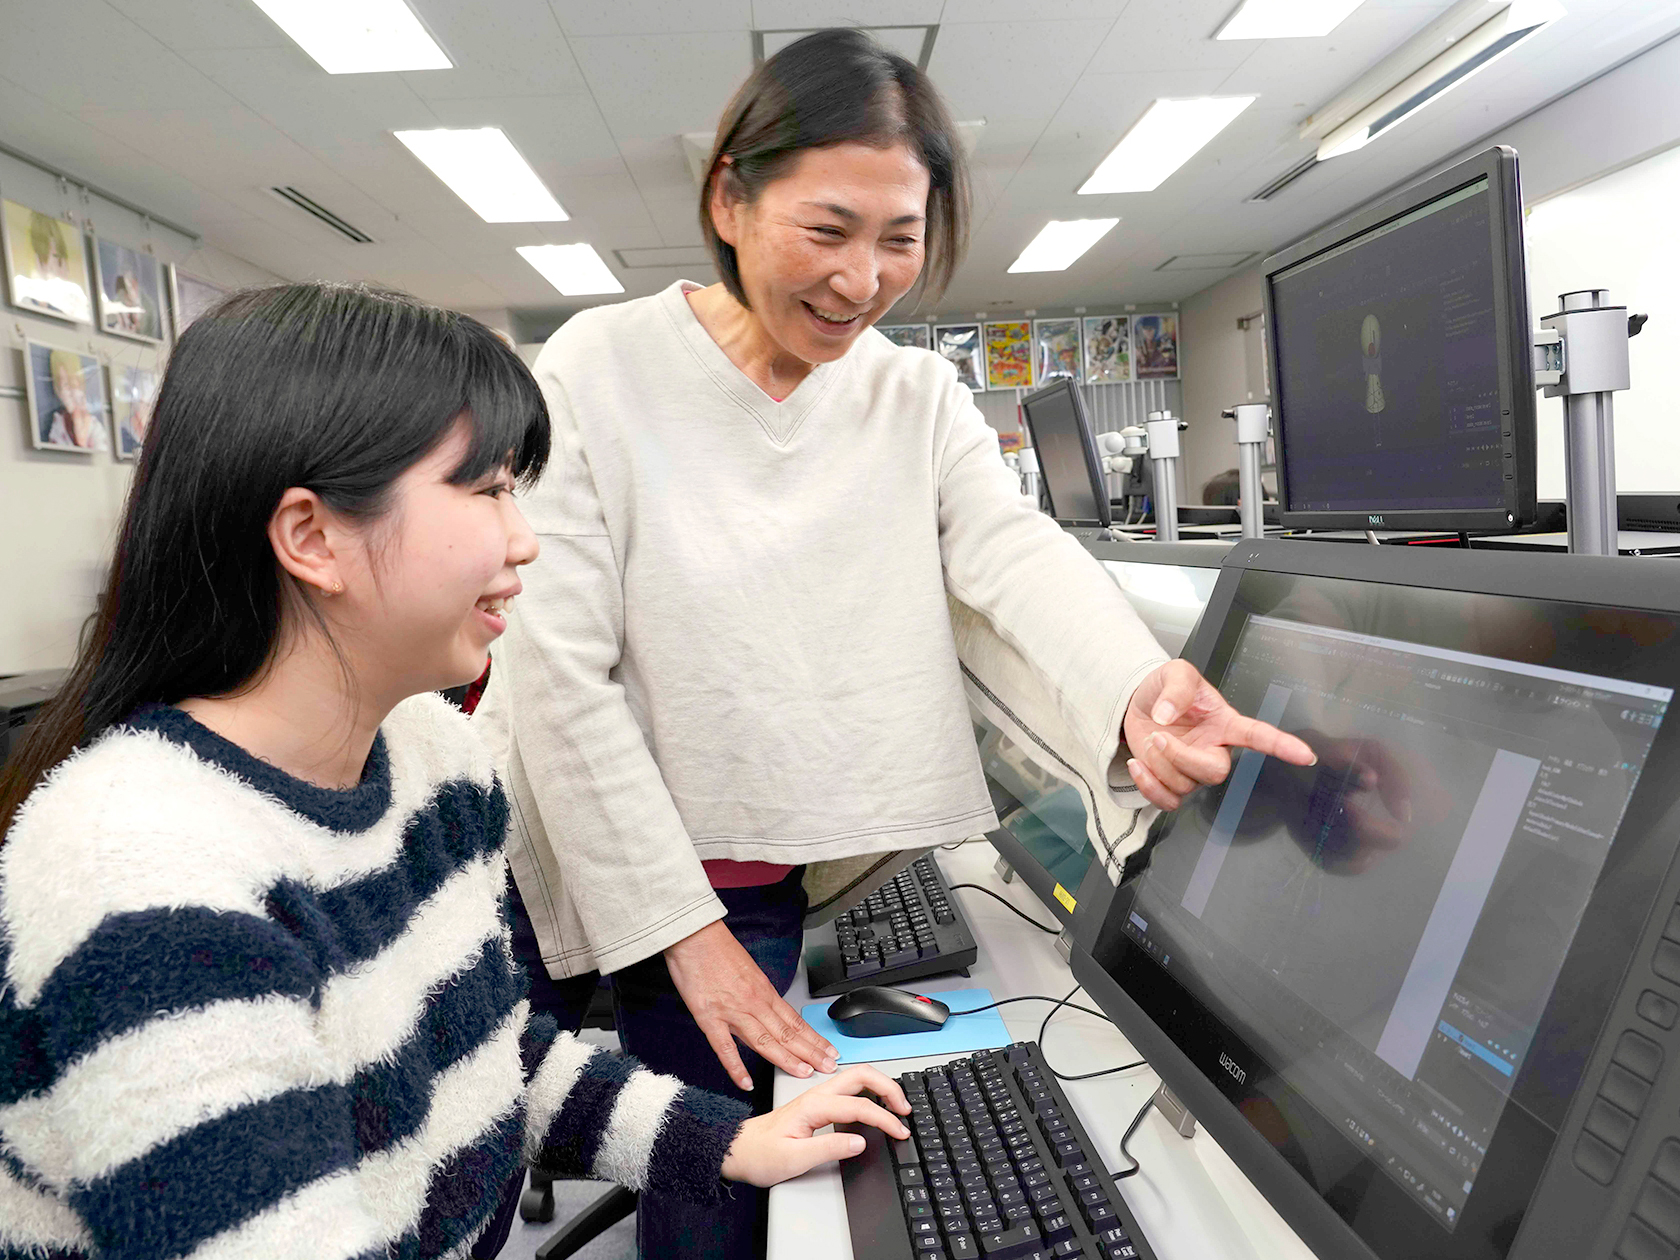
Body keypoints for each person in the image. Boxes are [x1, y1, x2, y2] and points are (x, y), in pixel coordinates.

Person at [478, 28, 1316, 1259]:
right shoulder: (603, 364)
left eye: (900, 239)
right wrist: (678, 930)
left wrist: (1141, 683)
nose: (862, 278)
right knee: (513, 1162)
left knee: (739, 1198)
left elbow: (1009, 551)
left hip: (756, 877)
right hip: (595, 848)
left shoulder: (912, 395)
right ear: (729, 196)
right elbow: (559, 673)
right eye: (827, 230)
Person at [0, 282, 912, 1260]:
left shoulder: (432, 761)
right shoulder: (147, 880)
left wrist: (733, 1139)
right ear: (311, 537)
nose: (524, 540)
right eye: (485, 491)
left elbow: (483, 1057)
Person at [43, 348, 104, 449]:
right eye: (64, 385)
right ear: (58, 391)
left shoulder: (95, 426)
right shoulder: (58, 425)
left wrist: (82, 434)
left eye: (73, 384)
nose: (70, 392)